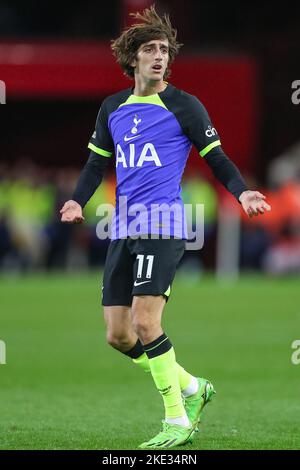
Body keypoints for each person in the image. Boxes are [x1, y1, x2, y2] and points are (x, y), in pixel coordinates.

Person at [60, 5, 271, 449]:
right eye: (151, 49)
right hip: (122, 228)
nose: (160, 57)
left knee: (145, 322)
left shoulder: (184, 106)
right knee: (118, 335)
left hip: (163, 225)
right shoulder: (112, 108)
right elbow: (96, 164)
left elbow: (216, 157)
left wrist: (243, 191)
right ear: (132, 57)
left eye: (165, 50)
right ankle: (194, 388)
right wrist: (76, 200)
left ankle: (177, 419)